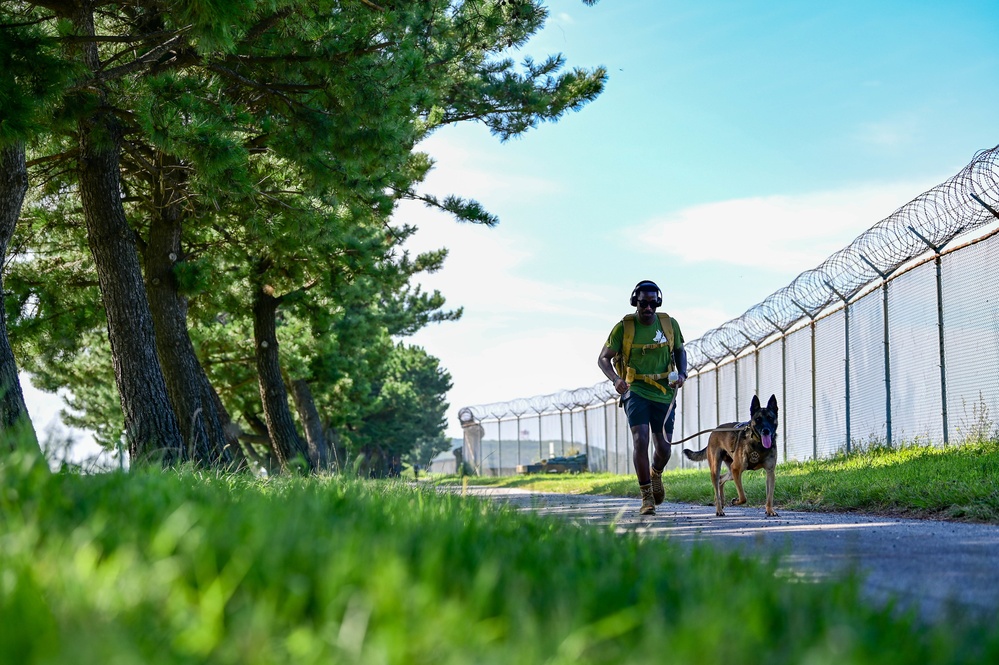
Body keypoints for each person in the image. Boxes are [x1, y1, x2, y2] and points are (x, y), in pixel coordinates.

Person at [597, 280, 687, 515]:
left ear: (657, 302)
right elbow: (603, 358)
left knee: (664, 448)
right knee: (640, 439)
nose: (647, 308)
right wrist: (616, 380)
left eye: (651, 304)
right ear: (635, 302)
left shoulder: (669, 324)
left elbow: (679, 350)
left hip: (664, 391)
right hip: (634, 390)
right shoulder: (623, 328)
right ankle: (646, 495)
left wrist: (683, 373)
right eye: (642, 303)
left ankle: (656, 473)